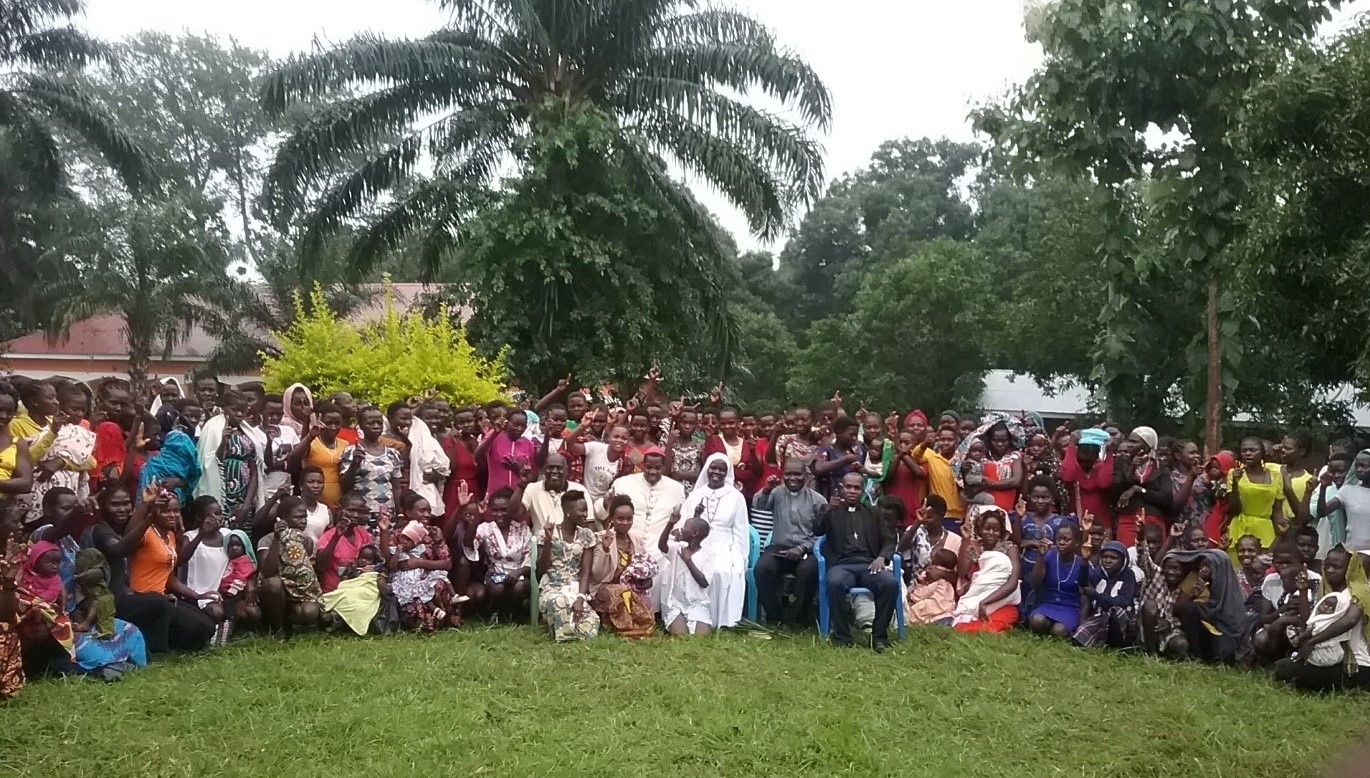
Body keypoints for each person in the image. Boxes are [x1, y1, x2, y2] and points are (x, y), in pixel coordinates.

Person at [123, 485, 216, 652]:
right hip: (145, 599)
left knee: (207, 626)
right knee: (192, 625)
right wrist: (144, 507)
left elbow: (168, 575)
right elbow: (129, 536)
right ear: (155, 511)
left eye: (176, 511)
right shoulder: (146, 533)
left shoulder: (170, 536)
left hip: (165, 597)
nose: (172, 515)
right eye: (166, 511)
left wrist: (197, 595)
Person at [814, 472, 898, 651]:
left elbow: (890, 539)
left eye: (857, 488)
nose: (852, 491)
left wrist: (882, 557)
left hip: (869, 564)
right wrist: (827, 509)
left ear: (862, 490)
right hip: (841, 565)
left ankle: (879, 637)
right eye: (848, 487)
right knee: (835, 582)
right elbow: (817, 530)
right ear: (841, 489)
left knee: (889, 583)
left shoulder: (874, 513)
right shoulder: (832, 511)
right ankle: (843, 636)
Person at [1274, 545, 1370, 691]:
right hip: (1332, 657)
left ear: (1349, 569)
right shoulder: (1329, 592)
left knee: (1286, 669)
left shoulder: (1360, 591)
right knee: (1283, 666)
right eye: (1328, 565)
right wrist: (1303, 591)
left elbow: (1350, 620)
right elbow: (1309, 624)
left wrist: (1312, 641)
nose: (1330, 570)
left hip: (1357, 664)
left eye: (1337, 567)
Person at [752, 459, 825, 629]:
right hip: (779, 548)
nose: (792, 478)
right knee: (762, 569)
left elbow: (823, 533)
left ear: (805, 476)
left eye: (797, 474)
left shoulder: (817, 499)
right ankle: (775, 616)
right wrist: (767, 489)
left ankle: (799, 619)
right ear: (783, 475)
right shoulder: (776, 493)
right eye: (788, 474)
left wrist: (802, 548)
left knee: (808, 572)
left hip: (806, 549)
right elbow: (759, 505)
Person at [679, 454, 749, 629]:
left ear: (727, 473)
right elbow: (684, 525)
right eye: (713, 468)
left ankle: (720, 620)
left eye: (721, 469)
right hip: (697, 543)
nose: (716, 472)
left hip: (725, 543)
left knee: (721, 571)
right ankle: (691, 614)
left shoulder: (736, 497)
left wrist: (741, 557)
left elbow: (740, 530)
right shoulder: (696, 494)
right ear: (707, 469)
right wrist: (696, 515)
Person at [606, 448, 684, 594]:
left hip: (659, 542)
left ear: (664, 467)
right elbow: (608, 510)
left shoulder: (677, 489)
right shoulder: (623, 483)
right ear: (643, 465)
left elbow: (680, 518)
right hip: (630, 539)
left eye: (658, 468)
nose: (653, 472)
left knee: (664, 558)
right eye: (648, 467)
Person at [17, 382, 97, 523]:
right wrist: (53, 432)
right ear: (34, 402)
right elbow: (28, 459)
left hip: (66, 495)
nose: (56, 402)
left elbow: (89, 460)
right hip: (38, 494)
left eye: (56, 398)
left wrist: (60, 462)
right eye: (51, 398)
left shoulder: (63, 425)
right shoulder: (18, 425)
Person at [70, 547, 148, 678]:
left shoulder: (98, 582)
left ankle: (133, 665)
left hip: (104, 622)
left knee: (132, 632)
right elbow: (75, 610)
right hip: (79, 627)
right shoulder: (74, 584)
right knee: (90, 651)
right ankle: (111, 666)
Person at [1162, 548, 1250, 663]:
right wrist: (1192, 595)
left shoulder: (1228, 584)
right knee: (1190, 608)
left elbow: (1232, 618)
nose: (1203, 570)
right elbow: (1178, 608)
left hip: (1221, 630)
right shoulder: (1195, 578)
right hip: (1197, 630)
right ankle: (1195, 656)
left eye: (1208, 566)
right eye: (1202, 565)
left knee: (1224, 653)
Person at [588, 495, 656, 638]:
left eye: (629, 519)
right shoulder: (600, 538)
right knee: (620, 592)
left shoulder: (636, 540)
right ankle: (624, 629)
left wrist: (647, 581)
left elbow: (643, 567)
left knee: (645, 603)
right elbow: (596, 575)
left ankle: (637, 628)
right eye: (620, 519)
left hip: (630, 589)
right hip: (604, 588)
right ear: (611, 518)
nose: (625, 523)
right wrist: (605, 550)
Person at [536, 490, 599, 641]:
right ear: (567, 511)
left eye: (586, 510)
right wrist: (548, 542)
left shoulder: (587, 536)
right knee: (558, 602)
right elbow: (540, 570)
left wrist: (580, 598)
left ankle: (566, 629)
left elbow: (585, 572)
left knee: (593, 621)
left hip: (574, 589)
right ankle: (567, 632)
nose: (585, 514)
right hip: (552, 588)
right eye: (581, 510)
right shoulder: (548, 533)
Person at [257, 495, 325, 633]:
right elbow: (268, 572)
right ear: (283, 518)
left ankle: (291, 624)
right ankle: (278, 628)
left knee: (309, 612)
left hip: (299, 591)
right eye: (298, 517)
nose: (303, 521)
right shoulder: (267, 540)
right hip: (276, 593)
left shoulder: (306, 540)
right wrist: (277, 539)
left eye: (305, 517)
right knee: (273, 584)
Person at [195, 390, 261, 529]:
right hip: (221, 494)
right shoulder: (213, 428)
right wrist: (223, 442)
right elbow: (212, 462)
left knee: (241, 538)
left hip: (243, 496)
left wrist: (247, 504)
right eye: (234, 410)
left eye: (242, 411)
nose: (238, 414)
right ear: (224, 408)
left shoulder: (247, 432)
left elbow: (255, 469)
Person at [952, 509, 1021, 633]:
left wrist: (985, 602)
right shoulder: (975, 547)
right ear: (979, 529)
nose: (991, 533)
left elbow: (1013, 583)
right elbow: (962, 572)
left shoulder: (1009, 548)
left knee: (987, 629)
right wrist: (965, 540)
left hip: (1001, 601)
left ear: (1001, 532)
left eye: (995, 529)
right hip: (976, 599)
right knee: (962, 628)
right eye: (987, 528)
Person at [1222, 438, 1287, 561]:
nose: (1247, 453)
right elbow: (1234, 509)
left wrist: (1281, 531)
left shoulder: (1276, 476)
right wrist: (1235, 484)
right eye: (1244, 451)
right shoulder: (1234, 473)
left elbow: (1277, 510)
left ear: (1262, 453)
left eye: (1252, 450)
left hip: (1265, 529)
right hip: (1240, 528)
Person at [340, 407, 404, 530]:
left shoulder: (393, 454)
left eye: (379, 422)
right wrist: (355, 463)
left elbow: (396, 487)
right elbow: (344, 486)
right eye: (370, 423)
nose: (376, 426)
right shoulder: (351, 451)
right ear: (361, 426)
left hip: (386, 515)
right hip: (361, 515)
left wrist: (400, 513)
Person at [474, 487, 531, 619]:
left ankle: (516, 611)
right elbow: (469, 545)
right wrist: (478, 516)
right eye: (495, 510)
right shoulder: (486, 529)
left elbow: (530, 558)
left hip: (519, 574)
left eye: (504, 509)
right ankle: (499, 610)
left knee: (519, 587)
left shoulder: (522, 529)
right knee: (498, 589)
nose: (499, 514)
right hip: (495, 575)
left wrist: (518, 572)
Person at [1110, 426, 1174, 546]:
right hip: (1127, 521)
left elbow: (1166, 499)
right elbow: (1115, 493)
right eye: (1129, 441)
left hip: (1154, 523)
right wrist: (1131, 467)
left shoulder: (1160, 467)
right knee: (1128, 557)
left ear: (1147, 445)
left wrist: (1139, 490)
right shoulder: (1120, 464)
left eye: (1134, 442)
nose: (1129, 445)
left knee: (1152, 560)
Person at [658, 510, 714, 636]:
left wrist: (688, 560)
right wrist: (670, 524)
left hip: (697, 605)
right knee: (680, 635)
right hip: (677, 605)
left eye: (685, 527)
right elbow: (662, 546)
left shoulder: (707, 555)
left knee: (702, 636)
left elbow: (704, 582)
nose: (681, 529)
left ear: (694, 533)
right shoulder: (677, 548)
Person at [1073, 540, 1138, 648]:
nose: (1108, 561)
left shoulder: (1129, 576)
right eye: (1105, 557)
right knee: (1080, 636)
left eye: (1113, 558)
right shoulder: (1099, 572)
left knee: (1115, 611)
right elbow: (1084, 584)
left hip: (1123, 620)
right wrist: (1084, 562)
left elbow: (1123, 601)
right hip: (1100, 616)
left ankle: (1117, 647)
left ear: (1123, 560)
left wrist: (1095, 595)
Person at [1027, 523, 1085, 638]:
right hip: (1049, 604)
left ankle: (1057, 627)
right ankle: (1048, 625)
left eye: (1066, 539)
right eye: (1059, 539)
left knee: (1059, 630)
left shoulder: (1081, 563)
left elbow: (1085, 595)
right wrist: (1040, 556)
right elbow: (1035, 583)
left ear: (1076, 542)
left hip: (1070, 607)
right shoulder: (1049, 556)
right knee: (1037, 621)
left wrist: (1083, 622)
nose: (1061, 542)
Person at [289, 401, 348, 509]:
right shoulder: (312, 442)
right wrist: (310, 437)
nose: (333, 427)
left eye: (337, 423)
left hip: (339, 503)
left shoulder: (345, 445)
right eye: (329, 423)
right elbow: (294, 458)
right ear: (320, 420)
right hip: (315, 502)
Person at [1059, 427, 1115, 537]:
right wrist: (1071, 446)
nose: (1085, 465)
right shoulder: (1073, 467)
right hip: (1076, 523)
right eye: (1082, 461)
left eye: (1089, 461)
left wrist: (1109, 453)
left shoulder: (1101, 467)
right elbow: (1067, 477)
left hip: (1100, 525)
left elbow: (1104, 483)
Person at [516, 452, 587, 535]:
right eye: (551, 467)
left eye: (559, 468)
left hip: (573, 545)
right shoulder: (532, 489)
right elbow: (514, 514)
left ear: (566, 470)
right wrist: (521, 485)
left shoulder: (579, 489)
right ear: (543, 470)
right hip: (542, 545)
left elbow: (589, 523)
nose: (554, 471)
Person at [1316, 449, 1370, 553]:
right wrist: (1323, 488)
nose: (1359, 469)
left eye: (1364, 466)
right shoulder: (1348, 491)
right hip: (1353, 554)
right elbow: (1322, 512)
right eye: (1357, 466)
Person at [702, 407, 763, 497]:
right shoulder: (714, 440)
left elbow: (756, 472)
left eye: (731, 423)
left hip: (745, 494)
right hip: (719, 494)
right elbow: (706, 465)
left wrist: (752, 451)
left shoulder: (747, 443)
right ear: (718, 423)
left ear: (738, 423)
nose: (727, 426)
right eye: (723, 423)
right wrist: (708, 439)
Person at [476, 409, 536, 500]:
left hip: (518, 497)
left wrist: (518, 469)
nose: (519, 429)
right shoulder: (494, 437)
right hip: (495, 496)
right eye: (515, 425)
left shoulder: (529, 444)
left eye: (523, 426)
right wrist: (494, 433)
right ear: (507, 423)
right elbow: (477, 456)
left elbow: (532, 475)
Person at [137, 428, 200, 507]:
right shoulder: (152, 466)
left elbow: (192, 480)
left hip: (176, 509)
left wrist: (177, 482)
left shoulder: (186, 469)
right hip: (152, 510)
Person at [883, 427, 927, 528]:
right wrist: (899, 456)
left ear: (915, 445)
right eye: (900, 443)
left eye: (907, 443)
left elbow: (918, 472)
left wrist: (900, 452)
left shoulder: (921, 461)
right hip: (890, 513)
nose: (902, 446)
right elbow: (888, 477)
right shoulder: (889, 460)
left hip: (911, 513)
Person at [814, 417, 865, 501]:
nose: (854, 438)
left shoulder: (858, 451)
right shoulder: (826, 450)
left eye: (856, 435)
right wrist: (844, 460)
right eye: (851, 434)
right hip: (830, 498)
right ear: (838, 432)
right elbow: (818, 468)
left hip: (853, 500)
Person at [904, 547, 958, 626]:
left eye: (934, 556)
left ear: (937, 561)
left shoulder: (932, 573)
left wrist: (912, 596)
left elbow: (926, 590)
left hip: (936, 602)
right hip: (946, 603)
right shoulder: (948, 573)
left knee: (918, 609)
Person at [1313, 453, 1353, 558]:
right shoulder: (1328, 491)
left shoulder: (1358, 490)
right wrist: (1323, 488)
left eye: (1340, 472)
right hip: (1335, 548)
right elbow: (1321, 512)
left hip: (1357, 548)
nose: (1336, 476)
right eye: (1332, 472)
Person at [260, 393, 299, 498]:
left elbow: (297, 458)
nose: (275, 417)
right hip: (265, 492)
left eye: (279, 414)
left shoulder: (289, 431)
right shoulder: (254, 434)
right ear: (261, 411)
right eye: (271, 414)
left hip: (286, 490)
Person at [0, 386, 34, 501]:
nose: (3, 416)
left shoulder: (18, 444)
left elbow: (26, 483)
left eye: (9, 412)